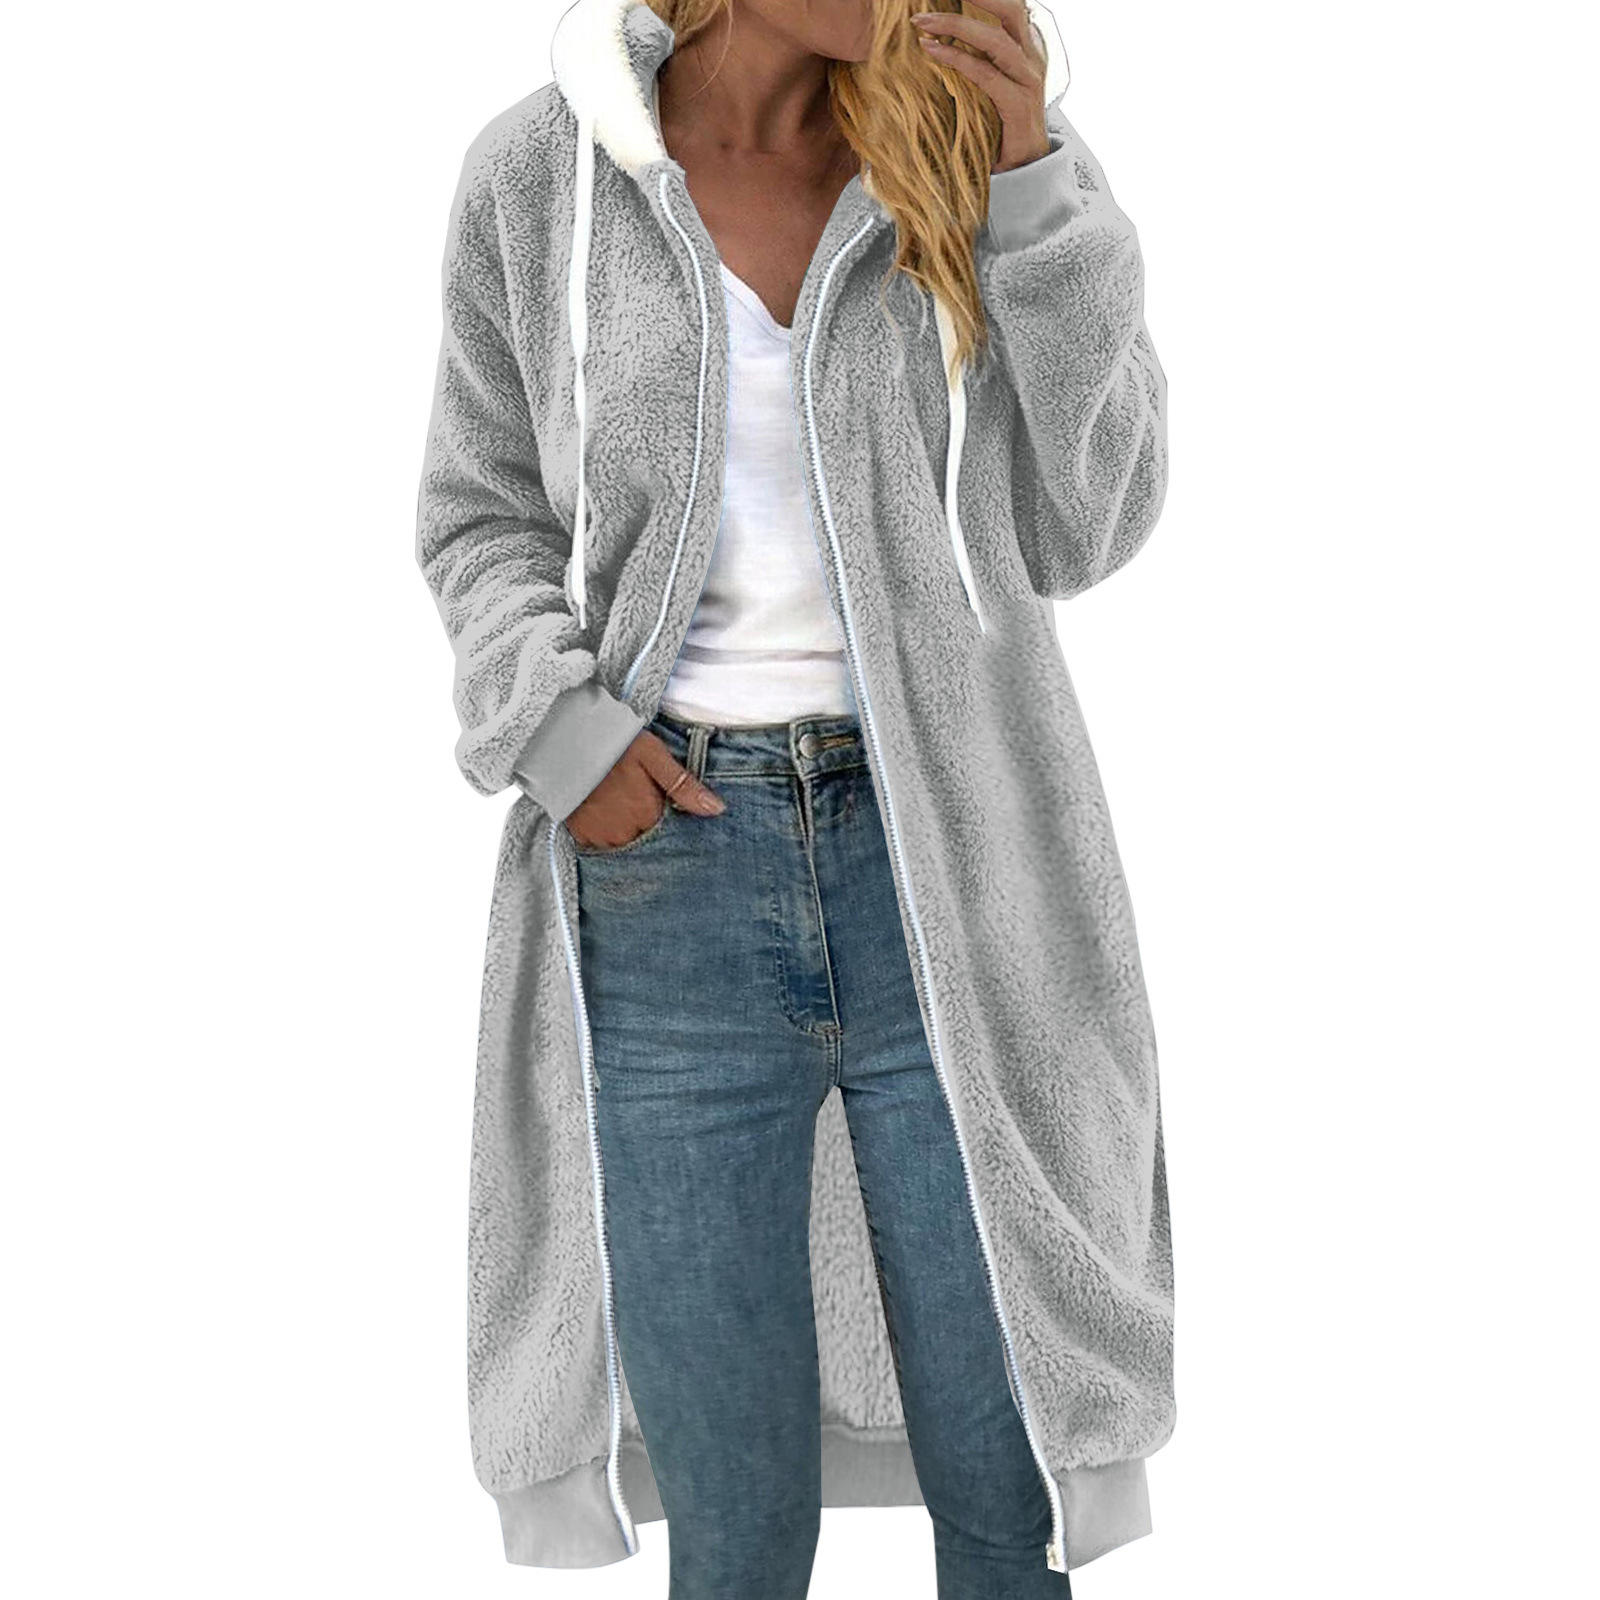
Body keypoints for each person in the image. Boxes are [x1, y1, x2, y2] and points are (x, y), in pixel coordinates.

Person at [414, 2, 1174, 1595]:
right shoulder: (540, 178)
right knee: (737, 1531)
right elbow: (482, 511)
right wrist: (563, 733)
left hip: (947, 865)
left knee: (1010, 1494)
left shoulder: (975, 156)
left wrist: (1033, 188)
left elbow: (1087, 523)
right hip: (666, 884)